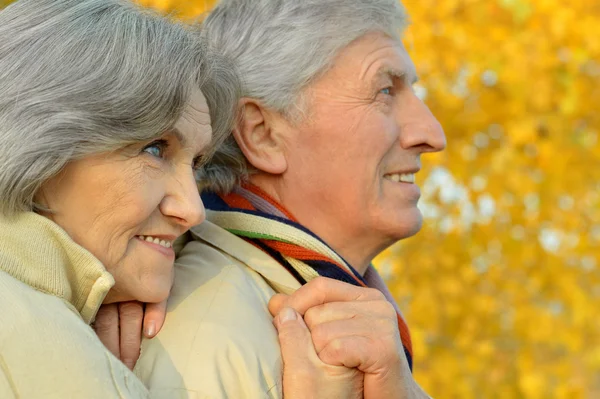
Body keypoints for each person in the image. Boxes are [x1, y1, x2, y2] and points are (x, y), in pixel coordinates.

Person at [132, 0, 446, 398]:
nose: (432, 133)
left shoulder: (265, 317)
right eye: (385, 90)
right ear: (263, 133)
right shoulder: (211, 340)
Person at [0, 0, 238, 396]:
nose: (194, 211)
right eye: (154, 150)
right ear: (39, 145)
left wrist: (100, 288)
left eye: (196, 164)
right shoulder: (33, 343)